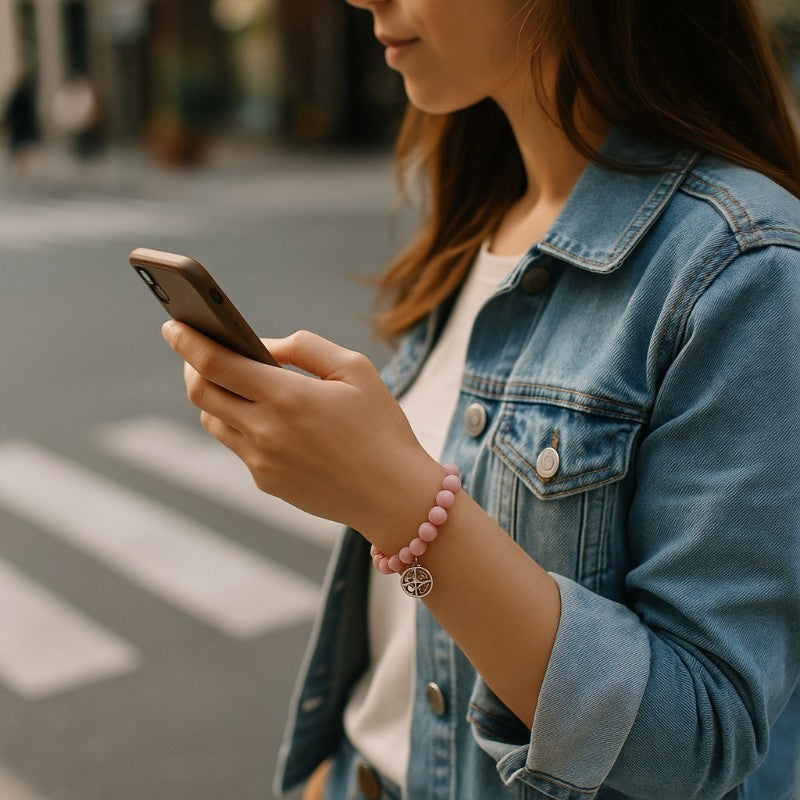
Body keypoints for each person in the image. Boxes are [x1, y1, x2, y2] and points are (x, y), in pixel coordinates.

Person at [162, 0, 800, 797]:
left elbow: (698, 740)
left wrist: (396, 501)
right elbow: (415, 647)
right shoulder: (483, 216)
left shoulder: (742, 269)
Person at [2, 70, 41, 178]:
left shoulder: (19, 95)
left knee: (20, 148)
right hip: (25, 127)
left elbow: (11, 111)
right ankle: (23, 169)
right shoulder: (28, 95)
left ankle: (22, 169)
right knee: (24, 148)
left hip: (20, 127)